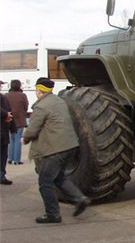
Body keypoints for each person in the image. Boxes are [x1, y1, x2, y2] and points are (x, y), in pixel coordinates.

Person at [23, 77, 91, 223]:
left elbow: (32, 129)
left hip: (55, 149)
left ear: (38, 90)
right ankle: (80, 198)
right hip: (70, 146)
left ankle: (52, 214)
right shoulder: (59, 101)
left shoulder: (41, 106)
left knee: (45, 181)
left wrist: (25, 138)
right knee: (59, 177)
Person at [6, 79, 29, 165]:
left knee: (11, 139)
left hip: (9, 120)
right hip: (19, 119)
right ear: (19, 86)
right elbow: (26, 106)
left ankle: (10, 158)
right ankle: (16, 160)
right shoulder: (22, 95)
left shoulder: (6, 95)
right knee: (17, 139)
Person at [1, 82, 13, 185]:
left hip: (3, 131)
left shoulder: (3, 97)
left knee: (3, 156)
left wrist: (12, 126)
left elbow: (9, 110)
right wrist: (6, 115)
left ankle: (1, 175)